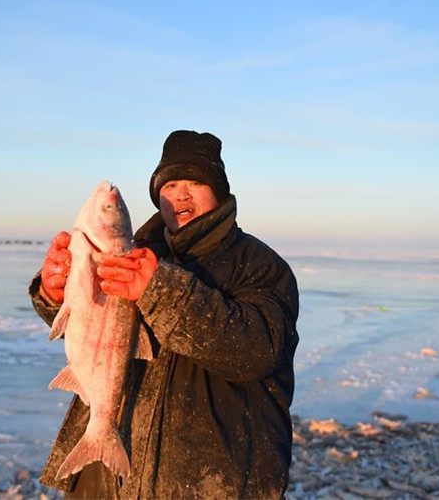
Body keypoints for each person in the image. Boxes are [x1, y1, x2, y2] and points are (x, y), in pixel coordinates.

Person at [29, 130, 299, 499]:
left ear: (219, 192)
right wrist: (55, 293)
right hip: (110, 480)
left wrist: (159, 290)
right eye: (170, 184)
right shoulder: (137, 253)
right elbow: (96, 330)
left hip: (208, 483)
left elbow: (257, 351)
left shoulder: (259, 265)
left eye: (195, 182)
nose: (181, 195)